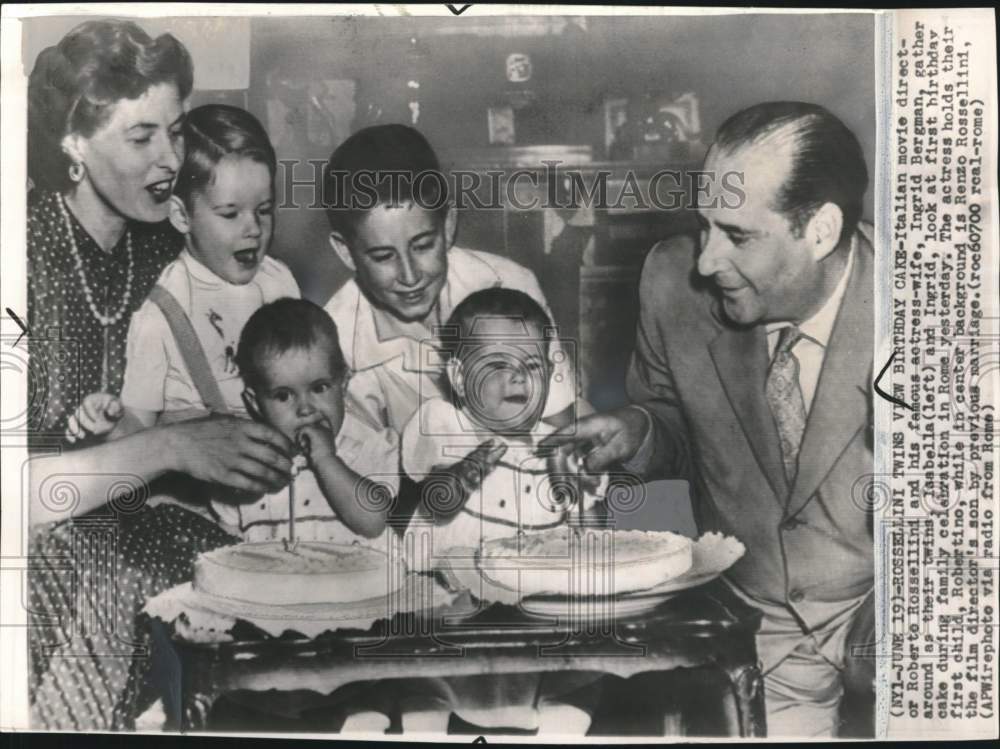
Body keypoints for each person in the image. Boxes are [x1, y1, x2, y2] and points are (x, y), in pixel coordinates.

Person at [543, 101, 874, 737]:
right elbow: (677, 422)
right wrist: (638, 431)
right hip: (760, 623)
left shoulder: (929, 302)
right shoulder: (671, 282)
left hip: (883, 608)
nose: (705, 261)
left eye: (738, 235)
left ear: (822, 231)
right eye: (705, 227)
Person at [25, 20, 293, 730]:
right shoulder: (21, 259)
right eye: (140, 138)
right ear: (73, 145)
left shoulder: (172, 250)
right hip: (44, 565)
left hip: (167, 534)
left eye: (175, 132)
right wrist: (171, 447)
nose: (169, 159)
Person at [399, 288, 604, 734]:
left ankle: (558, 735)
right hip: (450, 618)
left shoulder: (556, 446)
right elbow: (436, 499)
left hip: (536, 623)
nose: (518, 380)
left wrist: (580, 490)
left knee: (587, 672)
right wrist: (465, 470)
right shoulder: (446, 424)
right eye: (497, 366)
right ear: (457, 376)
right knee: (415, 682)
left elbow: (592, 544)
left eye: (532, 366)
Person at [322, 125, 582, 440]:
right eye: (382, 256)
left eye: (422, 246)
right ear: (346, 252)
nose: (409, 276)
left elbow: (559, 424)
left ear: (447, 226)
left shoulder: (509, 285)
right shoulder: (333, 343)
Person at [232, 298, 399, 546]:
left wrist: (325, 459)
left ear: (342, 384)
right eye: (283, 396)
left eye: (319, 388)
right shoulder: (250, 459)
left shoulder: (371, 447)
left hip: (359, 582)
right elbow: (228, 538)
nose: (305, 409)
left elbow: (373, 522)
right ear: (256, 404)